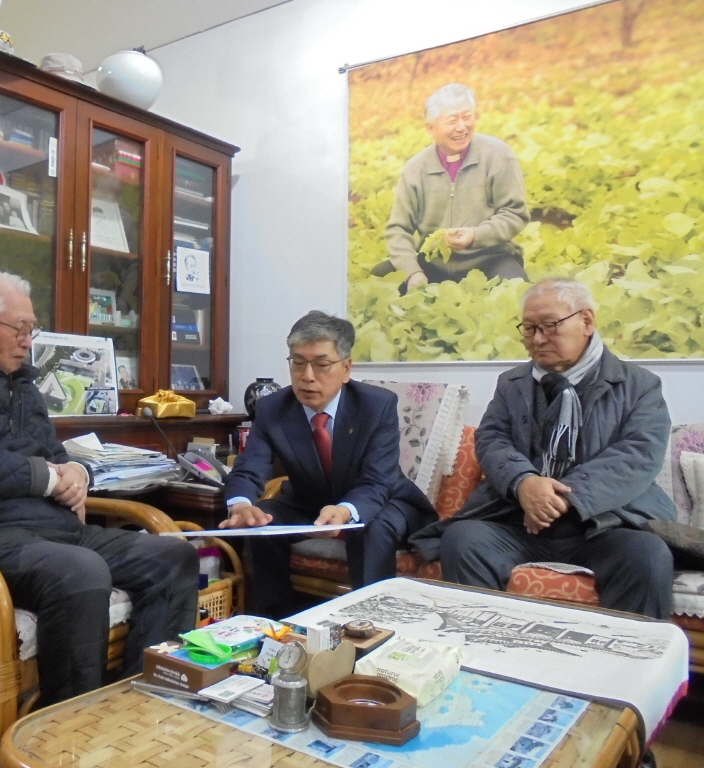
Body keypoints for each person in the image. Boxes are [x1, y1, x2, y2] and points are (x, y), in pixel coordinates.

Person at [0, 270, 199, 705]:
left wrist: (76, 474)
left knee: (174, 556)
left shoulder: (23, 386)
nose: (28, 341)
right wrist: (50, 478)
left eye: (31, 329)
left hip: (52, 532)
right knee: (79, 571)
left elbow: (54, 454)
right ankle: (70, 723)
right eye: (20, 329)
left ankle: (143, 703)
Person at [410, 277, 675, 618]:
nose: (537, 338)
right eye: (529, 328)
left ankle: (631, 652)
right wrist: (524, 483)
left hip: (604, 525)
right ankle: (482, 643)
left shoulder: (639, 385)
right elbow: (491, 439)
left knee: (648, 554)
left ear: (586, 321)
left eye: (550, 326)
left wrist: (562, 498)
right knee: (464, 540)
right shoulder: (512, 383)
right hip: (518, 522)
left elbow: (639, 454)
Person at [221, 310, 436, 618]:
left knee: (370, 527)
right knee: (261, 522)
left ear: (346, 368)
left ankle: (371, 623)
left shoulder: (377, 405)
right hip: (310, 502)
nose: (307, 376)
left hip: (383, 500)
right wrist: (241, 505)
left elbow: (378, 481)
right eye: (298, 363)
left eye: (321, 365)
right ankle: (276, 621)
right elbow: (249, 466)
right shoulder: (273, 408)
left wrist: (345, 511)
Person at [384, 83, 530, 291]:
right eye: (452, 120)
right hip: (434, 262)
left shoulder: (498, 155)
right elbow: (398, 229)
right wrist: (412, 272)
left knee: (517, 290)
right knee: (380, 278)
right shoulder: (415, 170)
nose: (461, 127)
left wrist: (476, 235)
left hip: (491, 258)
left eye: (467, 117)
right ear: (431, 128)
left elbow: (514, 213)